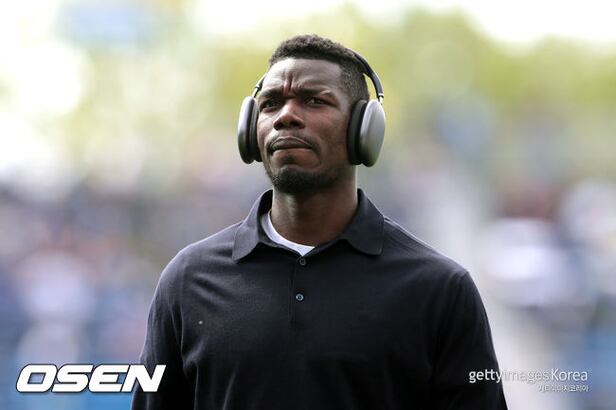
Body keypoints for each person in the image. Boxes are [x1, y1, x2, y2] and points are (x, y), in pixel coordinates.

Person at [132, 34, 508, 410]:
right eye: (271, 103)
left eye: (315, 101)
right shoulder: (188, 279)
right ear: (250, 130)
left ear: (364, 129)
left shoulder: (439, 290)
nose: (286, 116)